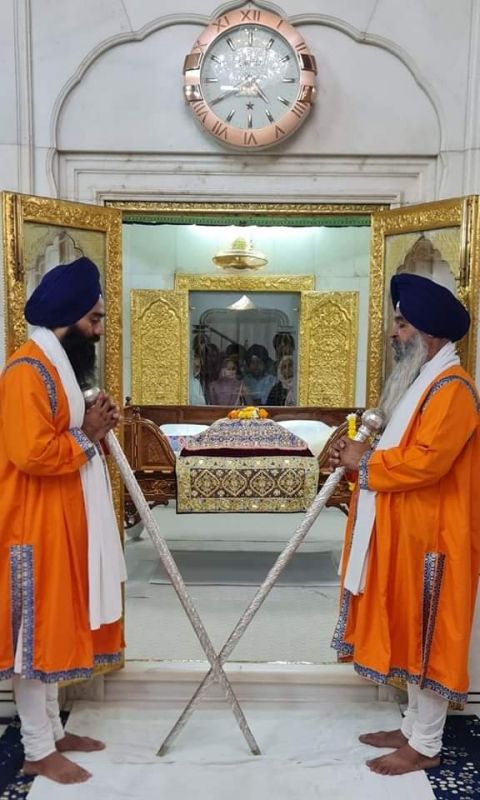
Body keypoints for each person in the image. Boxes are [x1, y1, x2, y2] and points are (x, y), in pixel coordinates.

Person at [329, 273, 480, 776]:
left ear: (427, 333)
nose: (394, 334)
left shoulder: (453, 390)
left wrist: (365, 462)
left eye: (401, 324)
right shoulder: (424, 383)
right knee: (414, 635)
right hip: (411, 535)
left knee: (430, 639)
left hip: (436, 542)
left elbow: (428, 462)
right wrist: (357, 456)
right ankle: (413, 729)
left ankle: (427, 745)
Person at [0, 257, 127, 784]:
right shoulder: (26, 371)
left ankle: (53, 731)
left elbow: (65, 436)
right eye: (94, 320)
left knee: (50, 631)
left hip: (60, 524)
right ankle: (36, 749)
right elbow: (32, 453)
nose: (98, 331)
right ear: (70, 318)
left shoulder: (56, 368)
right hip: (30, 530)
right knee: (32, 640)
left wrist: (94, 423)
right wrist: (87, 434)